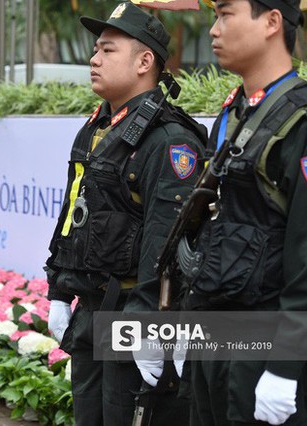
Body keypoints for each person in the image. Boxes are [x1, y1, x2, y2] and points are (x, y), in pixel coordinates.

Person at [178, 0, 307, 425]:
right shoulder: (236, 114)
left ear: (272, 23)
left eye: (226, 14)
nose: (213, 30)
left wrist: (283, 366)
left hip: (265, 357)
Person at [44, 2, 207, 425]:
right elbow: (73, 216)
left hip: (133, 316)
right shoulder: (99, 127)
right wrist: (60, 291)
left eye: (107, 50)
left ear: (144, 61)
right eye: (95, 49)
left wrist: (148, 323)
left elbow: (166, 238)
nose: (94, 59)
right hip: (93, 311)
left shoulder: (171, 140)